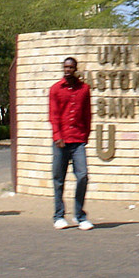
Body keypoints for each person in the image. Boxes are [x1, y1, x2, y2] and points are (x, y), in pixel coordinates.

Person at [49, 57, 93, 230]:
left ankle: (79, 215)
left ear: (75, 69)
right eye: (65, 67)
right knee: (59, 179)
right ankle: (59, 215)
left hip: (78, 140)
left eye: (71, 67)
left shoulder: (84, 89)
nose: (68, 70)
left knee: (82, 175)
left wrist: (86, 135)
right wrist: (57, 136)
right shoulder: (55, 89)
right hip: (61, 140)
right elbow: (53, 115)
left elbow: (87, 113)